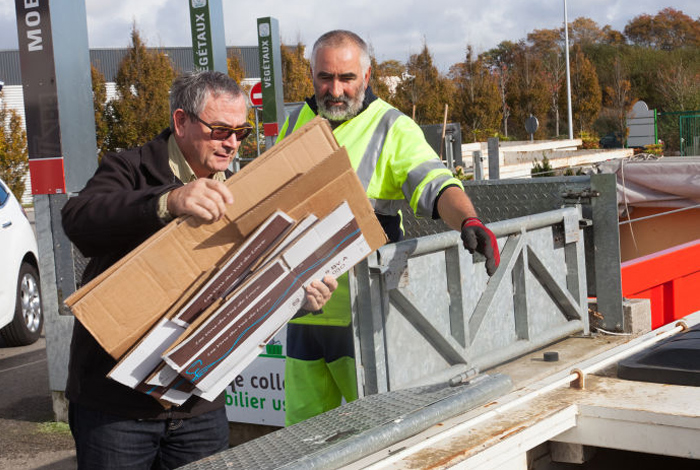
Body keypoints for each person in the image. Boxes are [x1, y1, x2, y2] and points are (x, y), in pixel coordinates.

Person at [61, 70, 337, 469]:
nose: (231, 143)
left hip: (200, 407)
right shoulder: (130, 168)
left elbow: (255, 284)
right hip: (116, 411)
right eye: (221, 129)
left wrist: (299, 296)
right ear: (181, 122)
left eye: (240, 133)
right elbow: (79, 219)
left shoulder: (245, 189)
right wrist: (168, 201)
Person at [277, 30, 500, 426]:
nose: (335, 90)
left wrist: (468, 219)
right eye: (325, 78)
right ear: (311, 75)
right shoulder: (296, 121)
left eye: (346, 78)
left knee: (376, 432)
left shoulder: (391, 126)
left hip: (364, 316)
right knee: (303, 437)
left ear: (367, 76)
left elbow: (435, 183)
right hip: (302, 312)